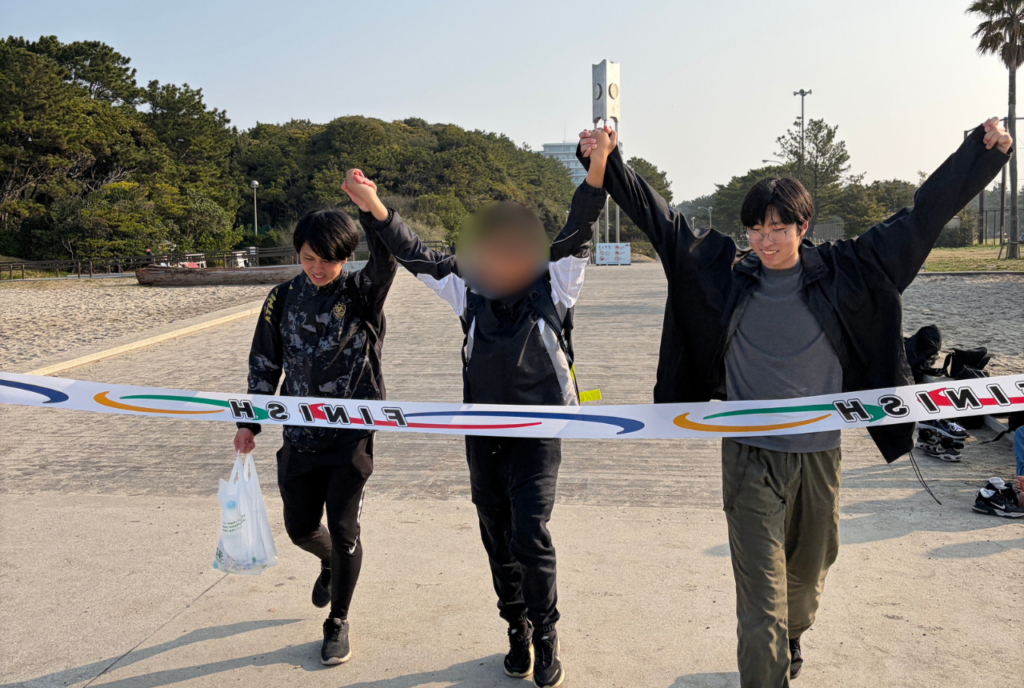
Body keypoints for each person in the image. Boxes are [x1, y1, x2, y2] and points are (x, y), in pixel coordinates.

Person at [577, 118, 1012, 686]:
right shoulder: (725, 273)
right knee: (762, 603)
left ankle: (794, 634)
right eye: (756, 228)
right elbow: (662, 221)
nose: (765, 240)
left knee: (805, 585)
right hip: (748, 459)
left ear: (803, 227)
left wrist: (979, 155)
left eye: (778, 228)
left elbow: (920, 218)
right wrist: (608, 160)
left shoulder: (850, 271)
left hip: (819, 457)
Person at [339, 129, 613, 688]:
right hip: (481, 435)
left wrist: (599, 165)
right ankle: (516, 627)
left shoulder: (556, 282)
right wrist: (373, 206)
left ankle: (546, 632)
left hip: (539, 434)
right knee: (496, 533)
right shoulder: (467, 288)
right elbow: (414, 254)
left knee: (529, 533)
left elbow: (581, 224)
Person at [232, 207, 397, 665]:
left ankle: (338, 620)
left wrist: (371, 208)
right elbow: (264, 361)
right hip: (300, 436)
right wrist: (249, 422)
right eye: (308, 258)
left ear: (345, 256)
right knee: (300, 527)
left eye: (327, 259)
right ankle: (327, 562)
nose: (317, 268)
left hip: (350, 437)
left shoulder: (361, 291)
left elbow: (387, 258)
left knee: (344, 532)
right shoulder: (282, 297)